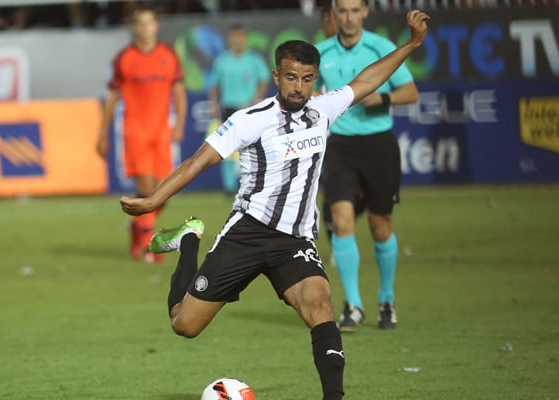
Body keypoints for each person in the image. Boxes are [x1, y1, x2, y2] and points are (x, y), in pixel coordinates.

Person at [119, 10, 429, 400]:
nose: (298, 87)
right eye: (291, 78)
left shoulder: (324, 109)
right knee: (184, 325)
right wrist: (154, 200)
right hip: (248, 232)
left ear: (314, 78)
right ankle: (189, 244)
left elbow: (367, 80)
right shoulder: (251, 119)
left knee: (320, 305)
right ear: (277, 76)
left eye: (306, 78)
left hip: (295, 240)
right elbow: (199, 159)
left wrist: (411, 45)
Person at [315, 0, 420, 331]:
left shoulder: (381, 47)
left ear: (364, 13)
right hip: (340, 146)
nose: (348, 17)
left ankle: (386, 299)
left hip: (378, 144)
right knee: (341, 219)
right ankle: (354, 304)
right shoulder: (319, 53)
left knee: (380, 226)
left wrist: (384, 98)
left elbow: (411, 92)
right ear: (333, 15)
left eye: (354, 11)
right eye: (342, 11)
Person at [96, 5, 187, 263]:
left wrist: (179, 123)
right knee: (147, 189)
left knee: (162, 192)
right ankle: (149, 245)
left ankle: (138, 228)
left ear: (156, 26)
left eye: (149, 23)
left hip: (161, 132)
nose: (145, 28)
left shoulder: (168, 55)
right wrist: (102, 133)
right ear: (134, 27)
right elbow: (112, 98)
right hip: (135, 131)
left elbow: (178, 92)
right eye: (140, 23)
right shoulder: (124, 59)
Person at [209, 23, 270, 194]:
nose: (238, 41)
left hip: (249, 109)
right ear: (229, 40)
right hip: (228, 108)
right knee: (226, 148)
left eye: (240, 37)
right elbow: (214, 86)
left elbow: (264, 81)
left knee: (252, 146)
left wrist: (255, 99)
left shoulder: (254, 60)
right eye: (234, 37)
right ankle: (229, 187)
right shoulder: (222, 61)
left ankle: (251, 183)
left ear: (245, 39)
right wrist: (214, 105)